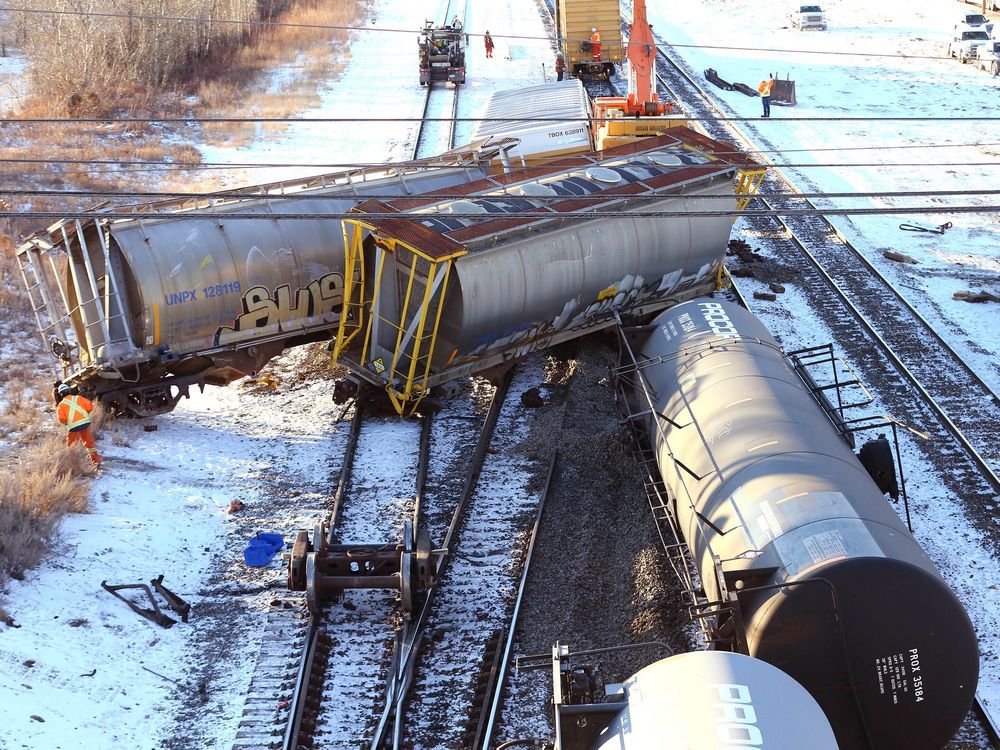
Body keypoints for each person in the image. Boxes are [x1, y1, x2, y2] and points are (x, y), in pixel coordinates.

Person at [56, 382, 101, 466]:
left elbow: (61, 419)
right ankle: (96, 462)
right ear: (69, 391)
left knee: (71, 446)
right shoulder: (78, 398)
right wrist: (84, 415)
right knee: (90, 444)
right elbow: (90, 406)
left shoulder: (61, 405)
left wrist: (68, 423)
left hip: (73, 427)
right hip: (85, 424)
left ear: (61, 394)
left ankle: (72, 464)